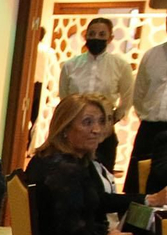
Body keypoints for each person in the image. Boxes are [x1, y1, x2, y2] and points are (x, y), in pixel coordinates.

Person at [23, 93, 166, 235]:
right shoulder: (64, 171)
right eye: (87, 123)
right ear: (65, 128)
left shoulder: (66, 159)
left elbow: (98, 200)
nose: (97, 130)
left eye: (101, 121)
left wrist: (148, 199)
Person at [57, 16, 134, 172]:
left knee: (101, 176)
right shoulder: (71, 65)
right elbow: (64, 97)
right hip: (74, 132)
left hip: (104, 133)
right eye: (92, 34)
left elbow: (127, 98)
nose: (96, 38)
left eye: (101, 35)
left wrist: (110, 121)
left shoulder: (120, 66)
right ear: (85, 35)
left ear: (110, 38)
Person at [128, 37, 167, 194]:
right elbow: (139, 93)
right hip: (149, 128)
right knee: (138, 187)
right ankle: (135, 219)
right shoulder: (152, 54)